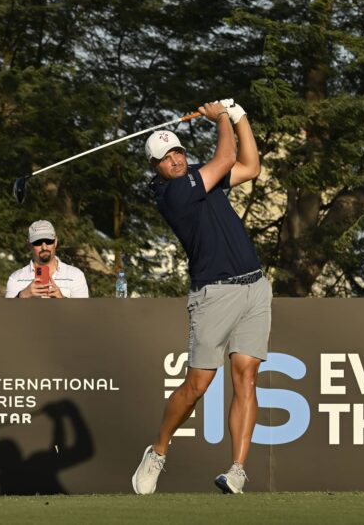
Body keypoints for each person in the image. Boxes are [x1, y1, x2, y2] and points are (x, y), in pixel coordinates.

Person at [131, 99, 272, 495]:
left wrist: (241, 116)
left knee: (246, 376)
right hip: (214, 294)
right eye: (165, 157)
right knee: (197, 385)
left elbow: (250, 166)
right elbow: (226, 155)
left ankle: (237, 471)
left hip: (255, 287)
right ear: (155, 167)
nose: (174, 160)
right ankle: (158, 451)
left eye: (177, 151)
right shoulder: (172, 194)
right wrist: (222, 116)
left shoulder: (199, 177)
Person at [5, 220, 88, 298]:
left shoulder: (75, 275)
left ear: (55, 241)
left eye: (48, 241)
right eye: (38, 242)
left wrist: (61, 298)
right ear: (29, 245)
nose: (44, 247)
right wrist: (22, 295)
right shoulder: (16, 278)